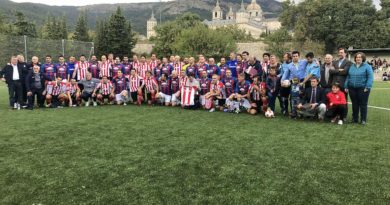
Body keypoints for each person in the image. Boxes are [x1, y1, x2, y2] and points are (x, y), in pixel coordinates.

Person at [344, 52, 374, 125]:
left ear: (363, 58)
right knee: (354, 104)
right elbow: (348, 77)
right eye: (357, 57)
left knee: (363, 104)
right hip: (352, 88)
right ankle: (355, 119)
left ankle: (363, 119)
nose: (358, 58)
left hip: (363, 88)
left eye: (360, 57)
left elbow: (370, 77)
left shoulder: (367, 66)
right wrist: (346, 86)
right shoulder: (352, 66)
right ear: (355, 58)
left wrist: (368, 87)